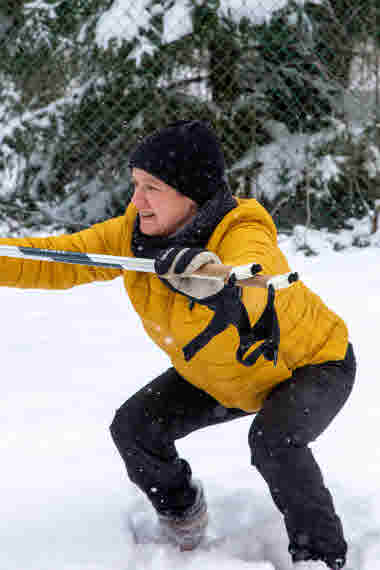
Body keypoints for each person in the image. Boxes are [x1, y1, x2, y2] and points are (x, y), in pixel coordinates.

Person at [0, 121, 355, 569]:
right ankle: (182, 511)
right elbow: (52, 262)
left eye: (152, 187)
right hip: (221, 375)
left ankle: (322, 556)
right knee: (135, 428)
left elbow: (254, 269)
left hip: (311, 364)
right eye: (135, 185)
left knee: (274, 441)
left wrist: (212, 276)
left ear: (191, 194)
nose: (136, 201)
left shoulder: (240, 226)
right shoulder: (131, 234)